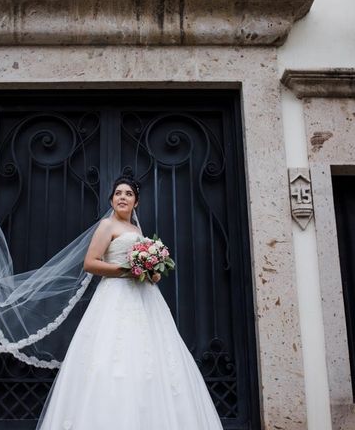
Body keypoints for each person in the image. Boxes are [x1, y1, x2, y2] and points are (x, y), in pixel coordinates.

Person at [36, 176, 223, 430]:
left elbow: (144, 268)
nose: (122, 197)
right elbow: (91, 263)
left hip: (145, 299)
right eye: (118, 193)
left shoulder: (137, 231)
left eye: (128, 194)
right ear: (111, 200)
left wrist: (152, 271)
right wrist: (128, 271)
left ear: (136, 202)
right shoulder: (106, 225)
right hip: (115, 297)